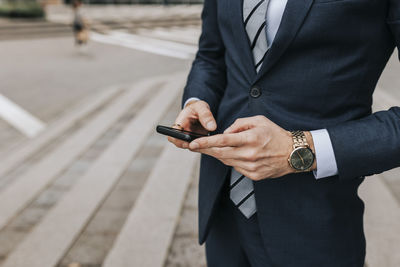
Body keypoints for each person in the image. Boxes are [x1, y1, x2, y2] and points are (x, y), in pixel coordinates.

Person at [167, 0, 400, 266]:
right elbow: (211, 53)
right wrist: (198, 100)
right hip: (223, 206)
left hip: (314, 221)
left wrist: (302, 148)